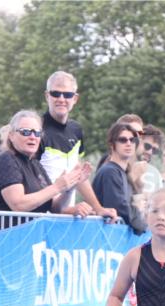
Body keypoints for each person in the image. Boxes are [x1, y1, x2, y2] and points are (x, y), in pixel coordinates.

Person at [0, 109, 92, 220]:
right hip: (8, 235)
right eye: (25, 132)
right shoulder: (7, 159)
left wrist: (69, 188)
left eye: (37, 133)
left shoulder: (36, 164)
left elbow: (54, 208)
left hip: (34, 235)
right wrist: (57, 187)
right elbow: (18, 204)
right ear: (11, 135)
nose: (33, 137)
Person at [39, 71, 116, 218]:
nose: (61, 99)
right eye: (56, 93)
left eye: (67, 94)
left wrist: (98, 208)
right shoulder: (36, 130)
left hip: (66, 219)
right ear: (47, 96)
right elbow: (32, 179)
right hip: (42, 218)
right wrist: (66, 209)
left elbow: (79, 176)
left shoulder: (76, 130)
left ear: (75, 98)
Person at [92, 122, 146, 233]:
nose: (128, 143)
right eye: (122, 140)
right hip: (106, 238)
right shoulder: (110, 171)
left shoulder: (122, 172)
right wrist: (145, 222)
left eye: (132, 140)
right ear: (112, 144)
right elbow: (120, 209)